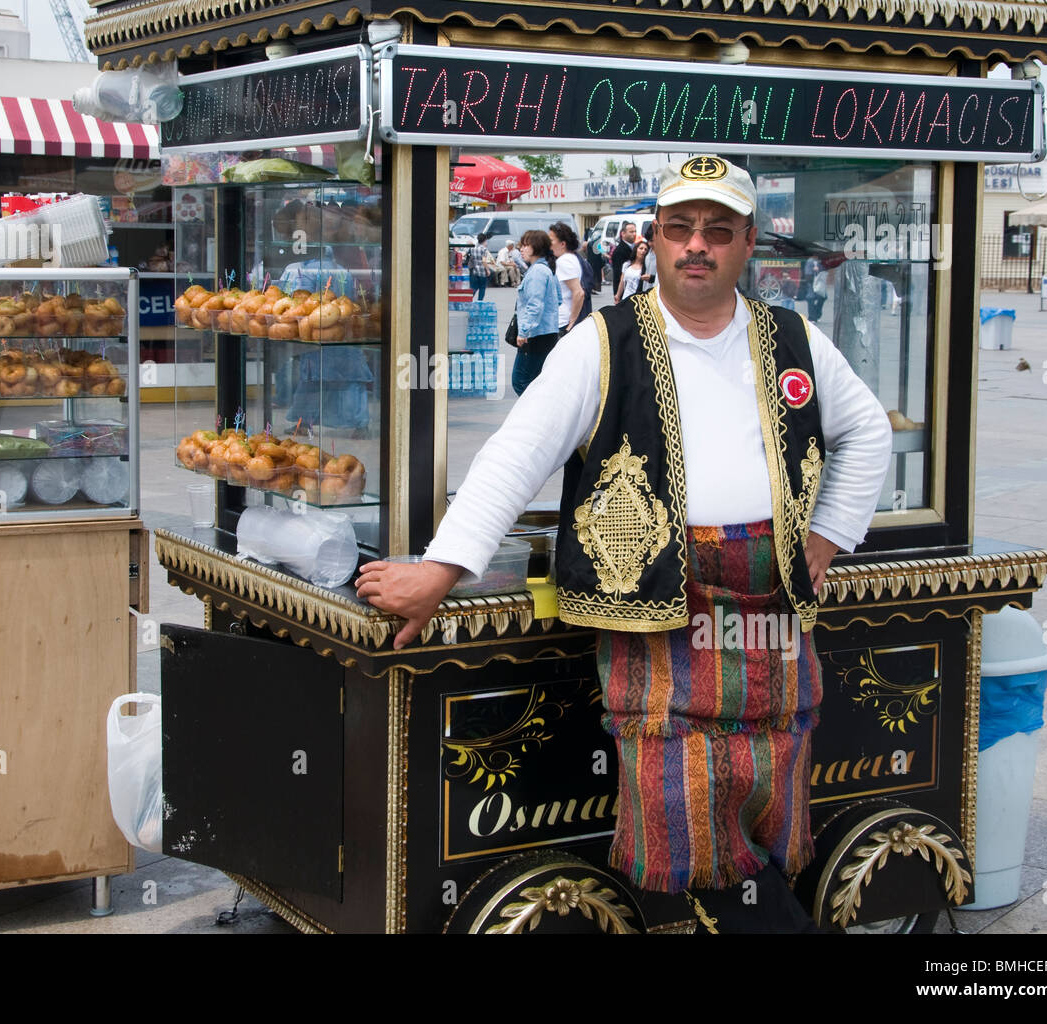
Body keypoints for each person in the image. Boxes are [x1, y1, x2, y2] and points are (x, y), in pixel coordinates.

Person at [356, 154, 893, 933]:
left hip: (770, 605)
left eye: (716, 230)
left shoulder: (793, 338)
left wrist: (828, 537)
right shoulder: (601, 343)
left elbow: (866, 430)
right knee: (680, 804)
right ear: (655, 242)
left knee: (767, 783)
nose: (696, 247)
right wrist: (442, 570)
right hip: (659, 609)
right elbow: (516, 454)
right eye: (679, 230)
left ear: (748, 242)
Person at [510, 229, 561, 395]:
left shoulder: (538, 271)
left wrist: (523, 331)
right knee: (536, 380)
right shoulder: (546, 269)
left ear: (536, 247)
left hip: (535, 335)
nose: (521, 249)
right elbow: (557, 299)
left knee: (520, 380)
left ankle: (533, 415)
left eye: (525, 245)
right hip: (546, 333)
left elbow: (535, 305)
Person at [549, 221, 589, 332]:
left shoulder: (564, 261)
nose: (548, 243)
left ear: (562, 244)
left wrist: (572, 321)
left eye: (551, 240)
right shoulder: (572, 258)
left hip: (562, 320)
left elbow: (579, 292)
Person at [614, 238, 649, 302]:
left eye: (645, 249)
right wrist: (618, 295)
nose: (643, 251)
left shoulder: (646, 268)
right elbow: (622, 281)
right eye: (641, 248)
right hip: (625, 298)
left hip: (637, 300)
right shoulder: (627, 265)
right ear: (636, 250)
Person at [609, 220, 639, 288]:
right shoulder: (619, 251)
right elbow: (618, 275)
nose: (634, 234)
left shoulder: (635, 247)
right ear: (623, 233)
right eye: (631, 232)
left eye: (635, 231)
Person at [468, 232, 490, 301]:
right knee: (482, 287)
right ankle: (479, 302)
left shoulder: (473, 249)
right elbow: (484, 261)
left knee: (473, 287)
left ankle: (469, 299)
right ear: (485, 240)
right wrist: (488, 270)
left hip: (474, 270)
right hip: (482, 271)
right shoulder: (484, 249)